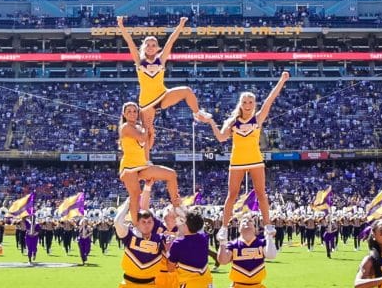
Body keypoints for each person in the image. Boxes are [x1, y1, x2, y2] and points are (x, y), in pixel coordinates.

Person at [198, 71, 290, 240]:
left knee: (261, 193)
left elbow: (271, 99)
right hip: (237, 161)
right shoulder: (232, 121)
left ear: (254, 103)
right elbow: (220, 137)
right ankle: (224, 227)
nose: (248, 104)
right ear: (240, 104)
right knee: (231, 195)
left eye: (251, 101)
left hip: (255, 160)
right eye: (245, 101)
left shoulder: (258, 118)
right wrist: (211, 122)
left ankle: (268, 225)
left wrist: (282, 80)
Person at [117, 15, 207, 155]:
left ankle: (197, 113)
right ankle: (146, 162)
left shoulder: (161, 60)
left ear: (157, 48)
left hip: (163, 95)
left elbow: (171, 41)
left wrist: (181, 25)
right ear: (143, 47)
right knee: (147, 133)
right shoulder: (139, 61)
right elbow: (129, 42)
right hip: (147, 103)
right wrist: (121, 25)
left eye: (154, 45)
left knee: (187, 91)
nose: (151, 47)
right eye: (148, 45)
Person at [118, 102, 181, 225]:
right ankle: (136, 226)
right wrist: (147, 127)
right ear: (124, 114)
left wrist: (151, 133)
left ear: (138, 113)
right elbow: (141, 138)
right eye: (129, 111)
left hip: (142, 165)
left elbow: (147, 146)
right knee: (135, 195)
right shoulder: (125, 127)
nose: (132, 113)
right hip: (129, 167)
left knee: (171, 174)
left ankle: (177, 207)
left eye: (134, 111)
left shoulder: (140, 128)